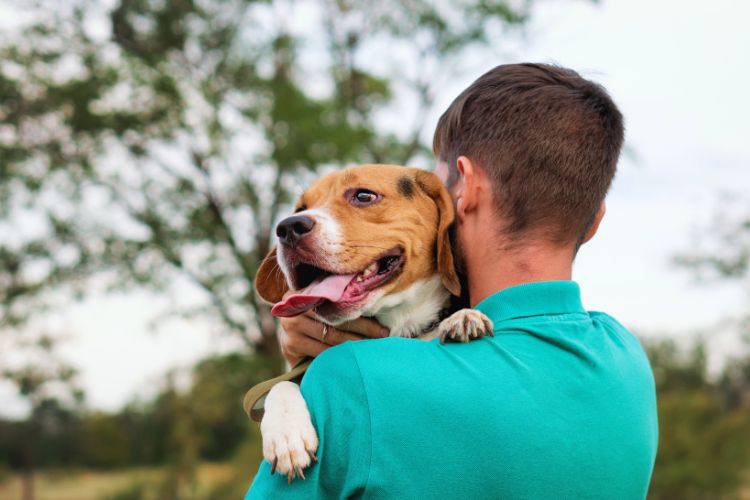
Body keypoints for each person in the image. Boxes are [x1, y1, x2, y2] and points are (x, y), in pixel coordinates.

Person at [245, 63, 658, 499]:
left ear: (466, 189)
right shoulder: (626, 357)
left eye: (442, 184)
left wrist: (320, 374)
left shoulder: (351, 380)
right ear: (593, 221)